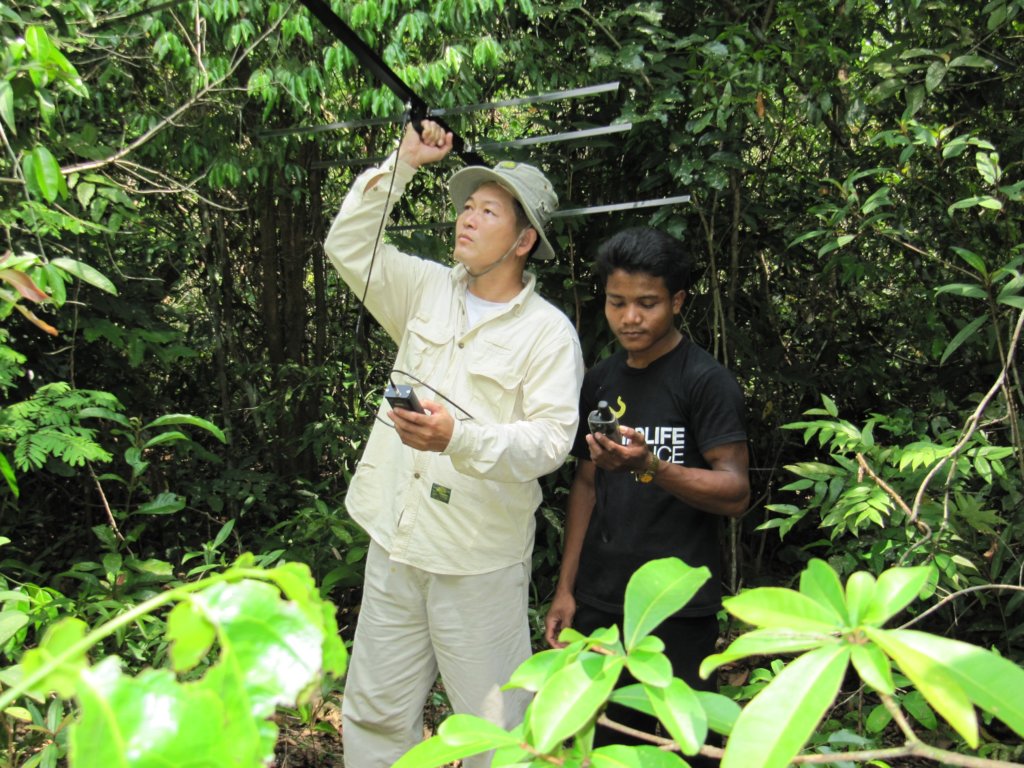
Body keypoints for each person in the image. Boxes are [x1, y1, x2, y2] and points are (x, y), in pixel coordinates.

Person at [323, 120, 584, 768]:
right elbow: (348, 248)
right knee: (376, 715)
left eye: (488, 210)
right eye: (467, 205)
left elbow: (553, 440)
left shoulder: (548, 334)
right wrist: (403, 163)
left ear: (524, 240)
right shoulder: (424, 289)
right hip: (396, 540)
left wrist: (457, 437)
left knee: (496, 731)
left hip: (477, 560)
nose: (467, 217)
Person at [543, 226, 750, 751]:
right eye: (617, 303)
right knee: (604, 745)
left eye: (647, 303)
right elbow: (586, 484)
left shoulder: (706, 382)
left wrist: (653, 466)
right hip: (599, 601)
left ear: (677, 302)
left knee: (688, 745)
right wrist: (567, 589)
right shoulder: (601, 379)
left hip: (677, 607)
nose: (629, 317)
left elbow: (735, 491)